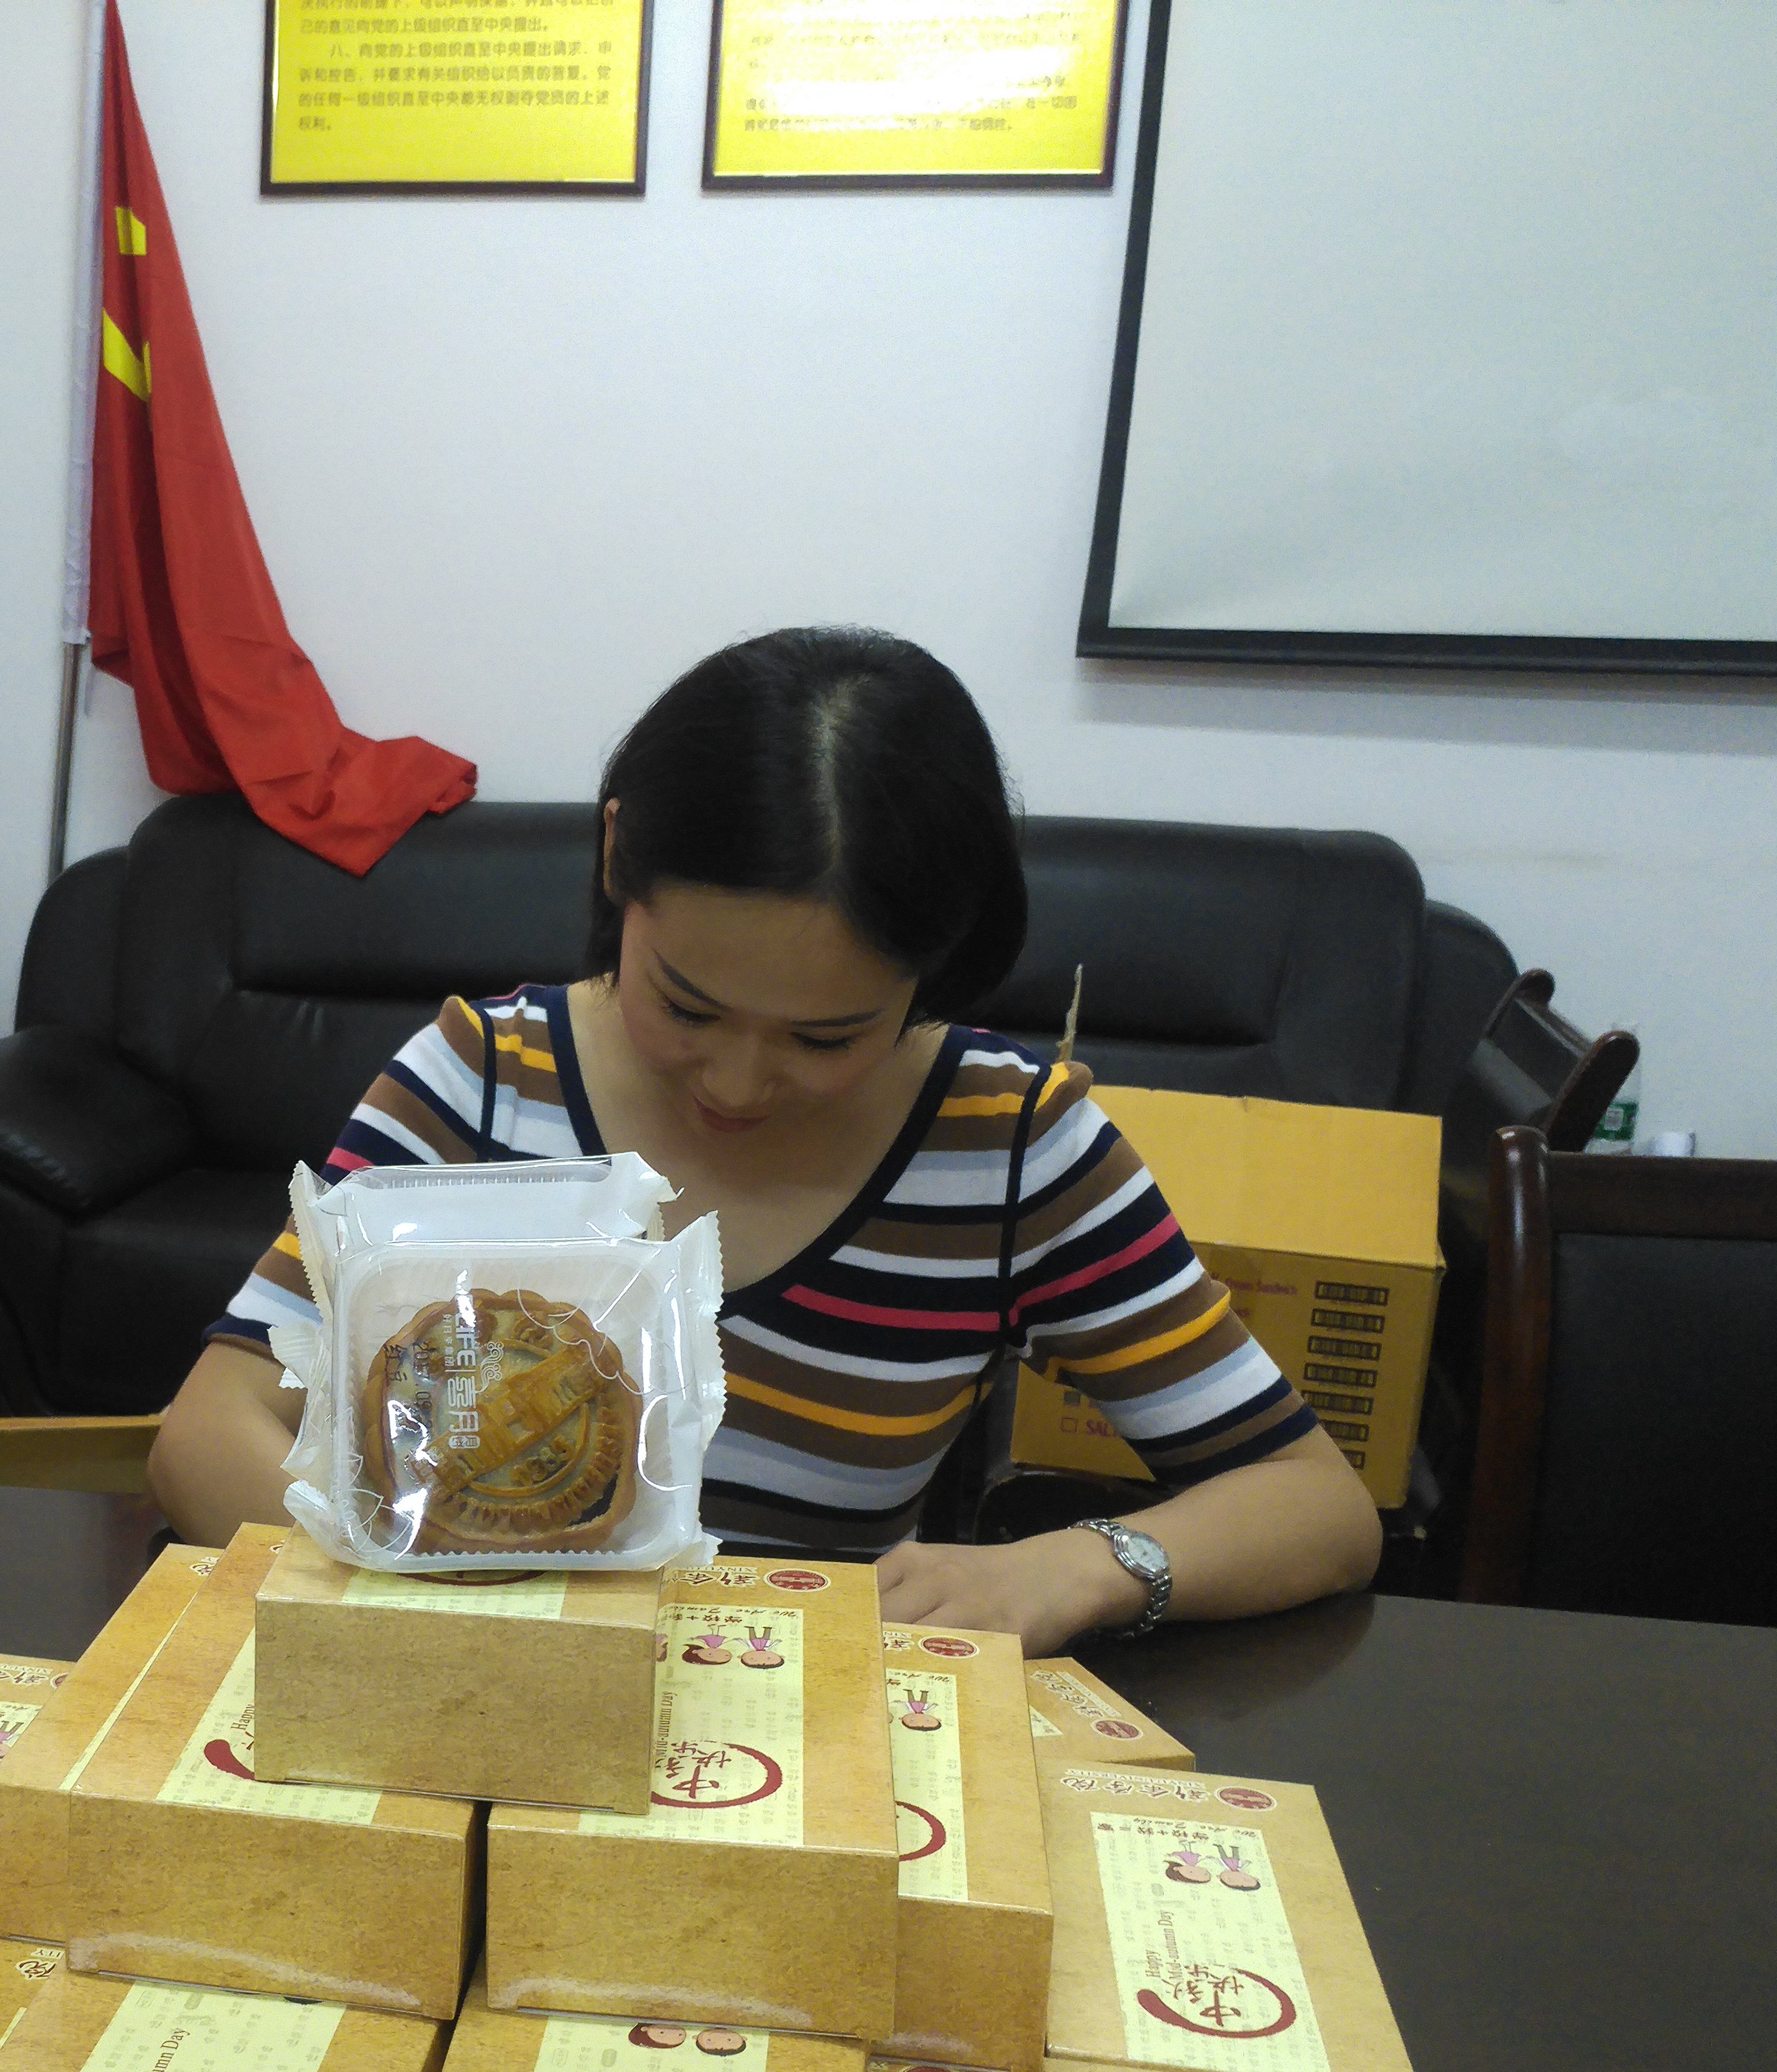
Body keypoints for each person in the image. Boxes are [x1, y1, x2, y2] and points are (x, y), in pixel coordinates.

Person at [145, 626, 1381, 1653]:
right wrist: (440, 1620)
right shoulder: (481, 1083)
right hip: (453, 1690)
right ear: (618, 856)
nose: (737, 1084)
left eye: (827, 1036)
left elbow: (1316, 1507)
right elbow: (209, 1432)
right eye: (686, 1007)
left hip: (791, 1738)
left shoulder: (1011, 1147)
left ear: (935, 967)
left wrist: (1077, 1569)